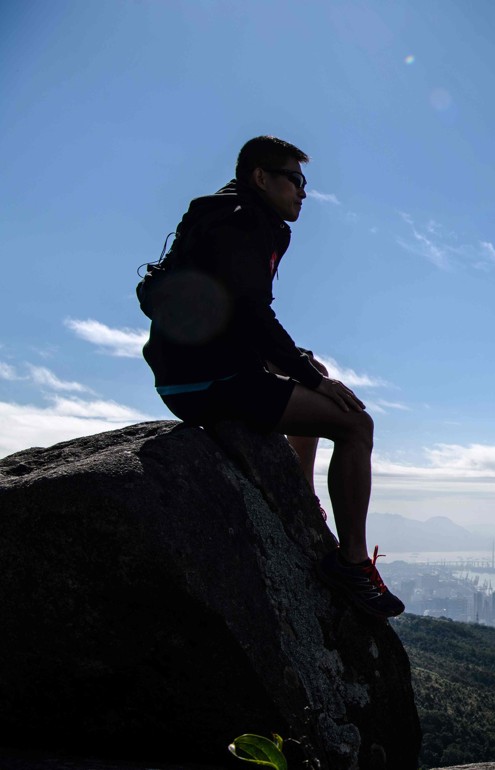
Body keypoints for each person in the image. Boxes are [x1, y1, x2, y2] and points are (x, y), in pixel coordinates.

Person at [140, 135, 403, 619]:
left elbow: (238, 315)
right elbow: (251, 311)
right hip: (210, 379)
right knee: (356, 425)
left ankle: (300, 500)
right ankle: (351, 563)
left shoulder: (222, 216)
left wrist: (303, 366)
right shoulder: (242, 223)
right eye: (295, 180)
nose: (303, 193)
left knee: (311, 370)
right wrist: (309, 376)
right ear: (261, 177)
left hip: (186, 371)